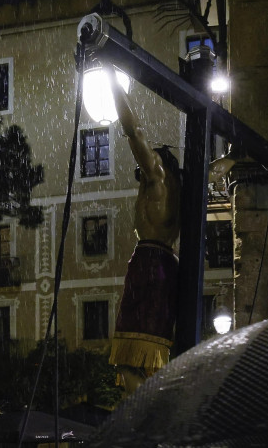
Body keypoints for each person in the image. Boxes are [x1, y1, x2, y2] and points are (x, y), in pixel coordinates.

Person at [107, 71, 182, 391]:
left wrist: (112, 81)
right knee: (149, 357)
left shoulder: (157, 179)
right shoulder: (185, 187)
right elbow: (215, 169)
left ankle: (144, 416)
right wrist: (234, 157)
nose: (140, 174)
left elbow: (133, 131)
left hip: (149, 264)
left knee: (128, 360)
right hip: (165, 265)